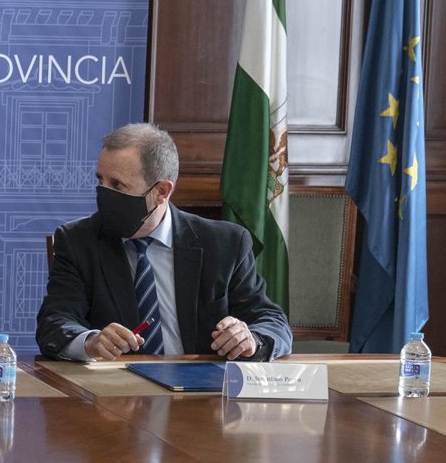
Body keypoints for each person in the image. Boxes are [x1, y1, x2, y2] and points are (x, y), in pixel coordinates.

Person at [36, 123, 292, 361]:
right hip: (116, 387)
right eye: (100, 180)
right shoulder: (79, 241)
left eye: (117, 185)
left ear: (161, 191)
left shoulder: (225, 243)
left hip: (203, 388)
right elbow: (54, 323)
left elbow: (272, 322)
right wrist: (91, 341)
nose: (103, 193)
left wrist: (251, 339)